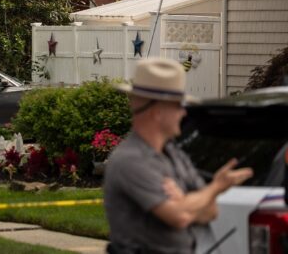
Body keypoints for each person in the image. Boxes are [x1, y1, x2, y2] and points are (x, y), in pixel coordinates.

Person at [104, 58, 253, 254]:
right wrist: (216, 187)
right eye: (178, 106)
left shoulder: (173, 153)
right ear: (157, 111)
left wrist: (184, 200)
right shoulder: (130, 159)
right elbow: (180, 216)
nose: (183, 113)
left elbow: (211, 211)